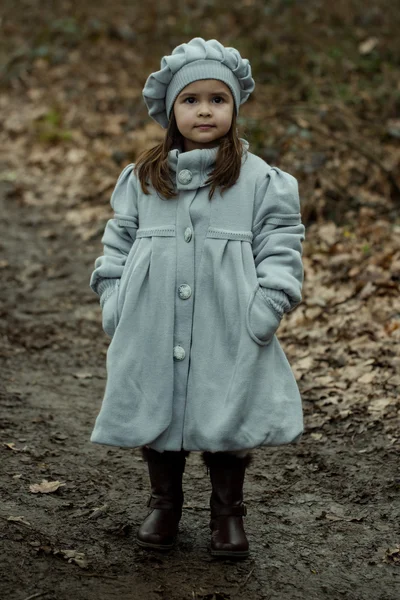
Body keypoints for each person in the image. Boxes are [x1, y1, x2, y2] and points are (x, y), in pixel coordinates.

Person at [89, 37, 305, 559]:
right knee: (158, 403)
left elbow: (281, 242)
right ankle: (165, 503)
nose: (204, 109)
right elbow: (117, 240)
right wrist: (114, 299)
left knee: (225, 409)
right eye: (191, 99)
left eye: (217, 99)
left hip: (229, 317)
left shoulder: (259, 181)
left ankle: (227, 513)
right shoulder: (144, 177)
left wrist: (269, 302)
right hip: (152, 316)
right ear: (170, 110)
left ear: (234, 107)